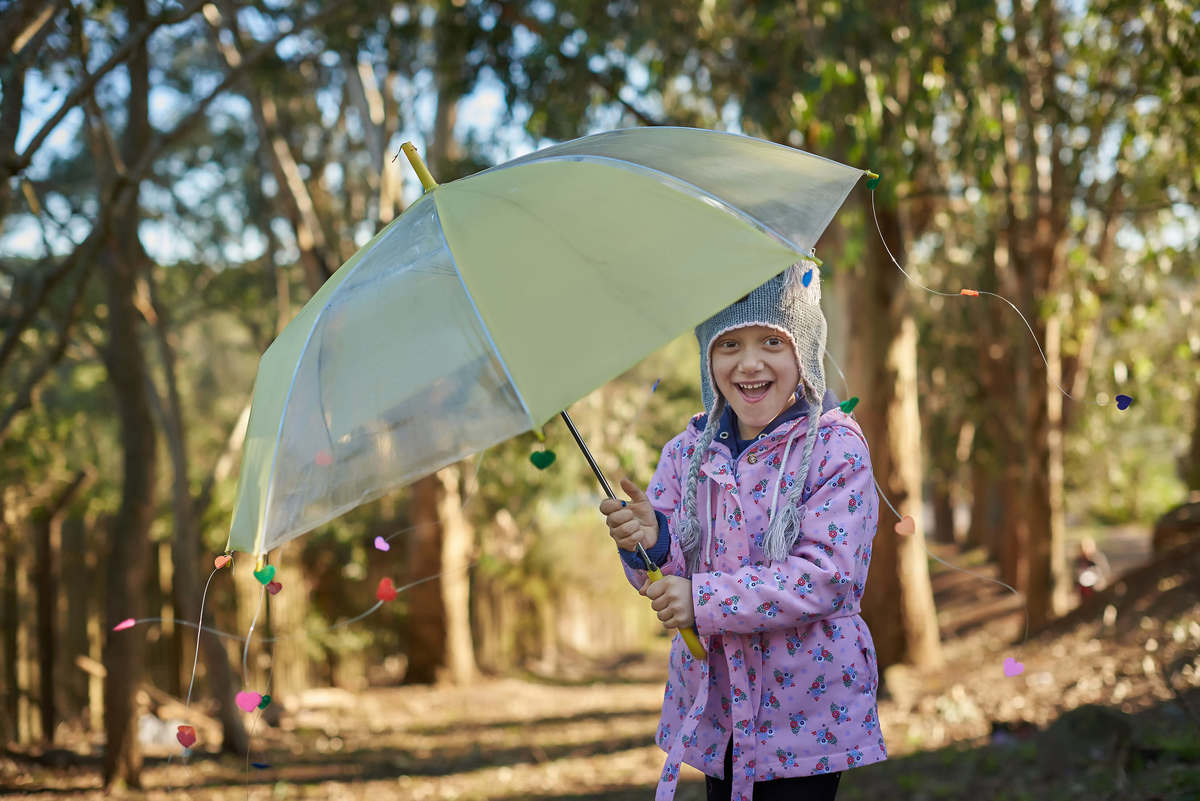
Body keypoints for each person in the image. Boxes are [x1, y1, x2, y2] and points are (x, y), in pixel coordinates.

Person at [600, 264, 887, 801]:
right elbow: (671, 578)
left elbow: (824, 577)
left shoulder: (834, 449)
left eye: (772, 341)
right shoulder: (686, 455)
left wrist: (701, 599)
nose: (749, 362)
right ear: (708, 357)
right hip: (717, 703)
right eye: (728, 343)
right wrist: (652, 543)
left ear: (804, 346)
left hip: (806, 710)